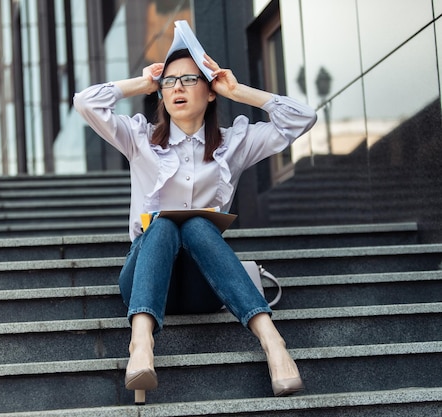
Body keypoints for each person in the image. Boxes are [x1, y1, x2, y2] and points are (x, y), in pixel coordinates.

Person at [73, 45, 317, 404]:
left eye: (189, 79)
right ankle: (141, 345)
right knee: (165, 225)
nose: (177, 88)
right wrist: (141, 84)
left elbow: (303, 118)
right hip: (144, 278)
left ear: (210, 90)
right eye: (169, 81)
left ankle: (273, 341)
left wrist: (238, 91)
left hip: (204, 287)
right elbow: (86, 102)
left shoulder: (234, 143)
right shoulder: (139, 138)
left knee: (197, 226)